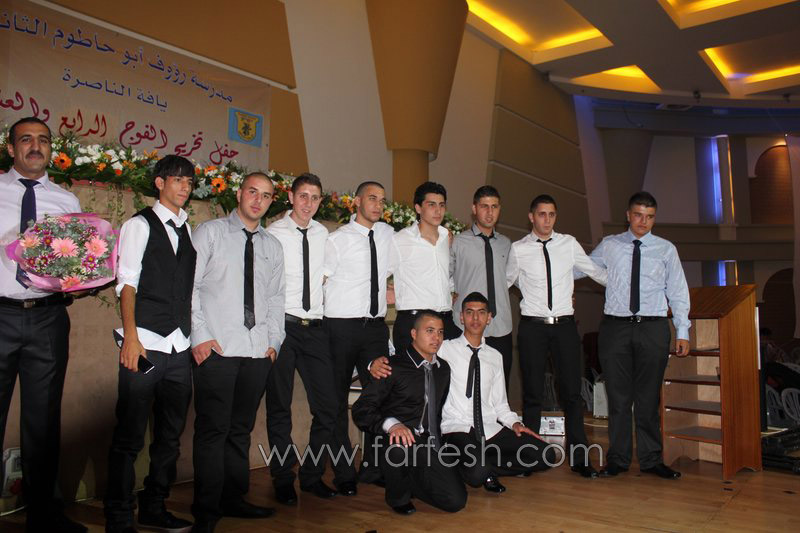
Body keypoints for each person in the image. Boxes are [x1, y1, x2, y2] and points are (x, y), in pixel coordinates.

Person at [0, 117, 86, 533]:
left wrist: (82, 277)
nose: (35, 146)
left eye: (43, 140)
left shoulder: (66, 200)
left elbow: (78, 260)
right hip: (0, 314)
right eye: (26, 139)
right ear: (11, 148)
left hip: (48, 317)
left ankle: (44, 516)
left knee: (43, 421)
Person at [104, 155, 196, 533]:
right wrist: (131, 338)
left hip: (179, 346)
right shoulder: (139, 225)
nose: (185, 187)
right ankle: (118, 514)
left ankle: (154, 506)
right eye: (177, 180)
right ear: (160, 183)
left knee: (170, 438)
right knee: (129, 436)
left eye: (189, 182)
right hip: (145, 344)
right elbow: (127, 285)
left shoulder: (187, 229)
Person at [189, 172, 285, 531]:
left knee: (240, 430)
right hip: (216, 349)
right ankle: (206, 510)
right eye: (252, 192)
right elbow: (189, 287)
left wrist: (274, 342)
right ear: (239, 193)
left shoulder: (272, 246)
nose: (258, 200)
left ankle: (233, 498)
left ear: (271, 201)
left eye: (266, 195)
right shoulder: (209, 233)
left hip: (257, 352)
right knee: (212, 430)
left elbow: (276, 297)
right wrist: (200, 336)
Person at [265, 173, 357, 504]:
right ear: (290, 197)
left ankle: (312, 475)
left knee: (329, 407)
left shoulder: (323, 235)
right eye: (302, 196)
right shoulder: (273, 233)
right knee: (279, 407)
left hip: (315, 329)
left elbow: (334, 275)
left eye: (314, 197)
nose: (308, 203)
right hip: (282, 327)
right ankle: (282, 478)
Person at [589, 191, 690, 480]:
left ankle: (651, 460)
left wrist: (682, 330)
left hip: (653, 327)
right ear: (628, 215)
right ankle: (618, 460)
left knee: (647, 399)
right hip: (615, 327)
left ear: (654, 218)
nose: (643, 221)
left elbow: (678, 291)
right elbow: (582, 269)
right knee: (618, 399)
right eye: (638, 215)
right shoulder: (610, 245)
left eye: (649, 217)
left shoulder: (666, 249)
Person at [507, 194, 607, 478]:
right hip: (532, 327)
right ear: (531, 216)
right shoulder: (518, 249)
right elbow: (504, 282)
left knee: (572, 394)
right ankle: (530, 457)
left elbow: (595, 272)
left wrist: (627, 283)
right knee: (532, 394)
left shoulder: (569, 243)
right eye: (542, 214)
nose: (547, 220)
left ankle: (580, 459)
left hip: (564, 326)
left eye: (551, 214)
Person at [352, 311, 466, 515]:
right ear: (414, 333)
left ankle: (411, 479)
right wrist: (392, 424)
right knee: (398, 448)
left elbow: (438, 412)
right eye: (429, 331)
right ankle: (398, 497)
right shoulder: (390, 366)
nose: (436, 338)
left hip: (428, 445)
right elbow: (362, 410)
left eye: (440, 332)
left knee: (455, 501)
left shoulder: (443, 369)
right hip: (396, 443)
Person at [439, 292, 552, 493]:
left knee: (546, 455)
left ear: (489, 317)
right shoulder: (444, 349)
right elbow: (416, 352)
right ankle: (479, 467)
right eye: (469, 312)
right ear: (461, 317)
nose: (475, 318)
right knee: (477, 475)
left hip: (489, 429)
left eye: (481, 312)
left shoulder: (495, 356)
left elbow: (500, 404)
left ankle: (480, 464)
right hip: (457, 428)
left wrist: (515, 424)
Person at [323, 181, 395, 485]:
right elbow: (320, 281)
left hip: (375, 327)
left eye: (382, 200)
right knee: (336, 400)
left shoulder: (388, 234)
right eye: (372, 198)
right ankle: (343, 471)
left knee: (380, 394)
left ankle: (373, 466)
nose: (378, 205)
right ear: (357, 202)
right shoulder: (337, 239)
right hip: (340, 326)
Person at [450, 186, 514, 386]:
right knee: (463, 385)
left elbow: (519, 278)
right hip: (466, 325)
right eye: (484, 206)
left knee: (499, 386)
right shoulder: (458, 242)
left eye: (494, 206)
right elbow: (444, 275)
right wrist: (449, 294)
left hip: (500, 325)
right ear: (474, 208)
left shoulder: (507, 244)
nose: (489, 212)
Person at [390, 181, 460, 353]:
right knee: (411, 371)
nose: (438, 210)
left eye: (442, 205)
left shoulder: (446, 237)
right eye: (431, 205)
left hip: (445, 321)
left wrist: (451, 290)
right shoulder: (400, 239)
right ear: (418, 208)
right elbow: (380, 273)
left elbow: (445, 273)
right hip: (413, 322)